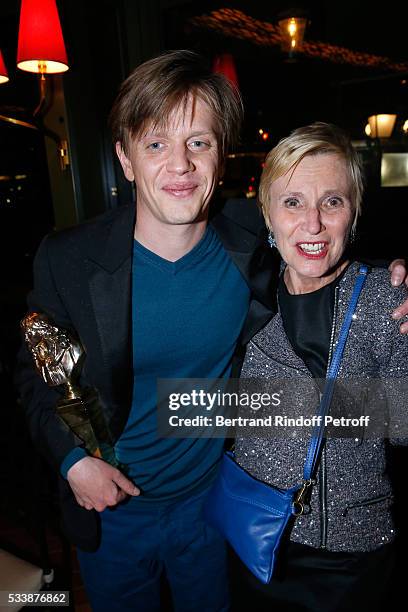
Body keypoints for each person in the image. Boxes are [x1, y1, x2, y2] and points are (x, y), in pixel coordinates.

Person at [15, 51, 408, 612]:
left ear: (221, 156)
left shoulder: (252, 242)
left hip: (215, 509)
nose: (180, 165)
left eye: (198, 142)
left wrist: (395, 280)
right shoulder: (68, 260)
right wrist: (71, 462)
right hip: (112, 511)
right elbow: (33, 378)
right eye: (156, 144)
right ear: (125, 159)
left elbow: (320, 228)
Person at [235, 122, 408, 611]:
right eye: (292, 202)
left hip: (351, 560)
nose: (312, 224)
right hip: (253, 539)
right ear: (267, 213)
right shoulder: (244, 295)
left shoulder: (386, 300)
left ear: (353, 214)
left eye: (332, 201)